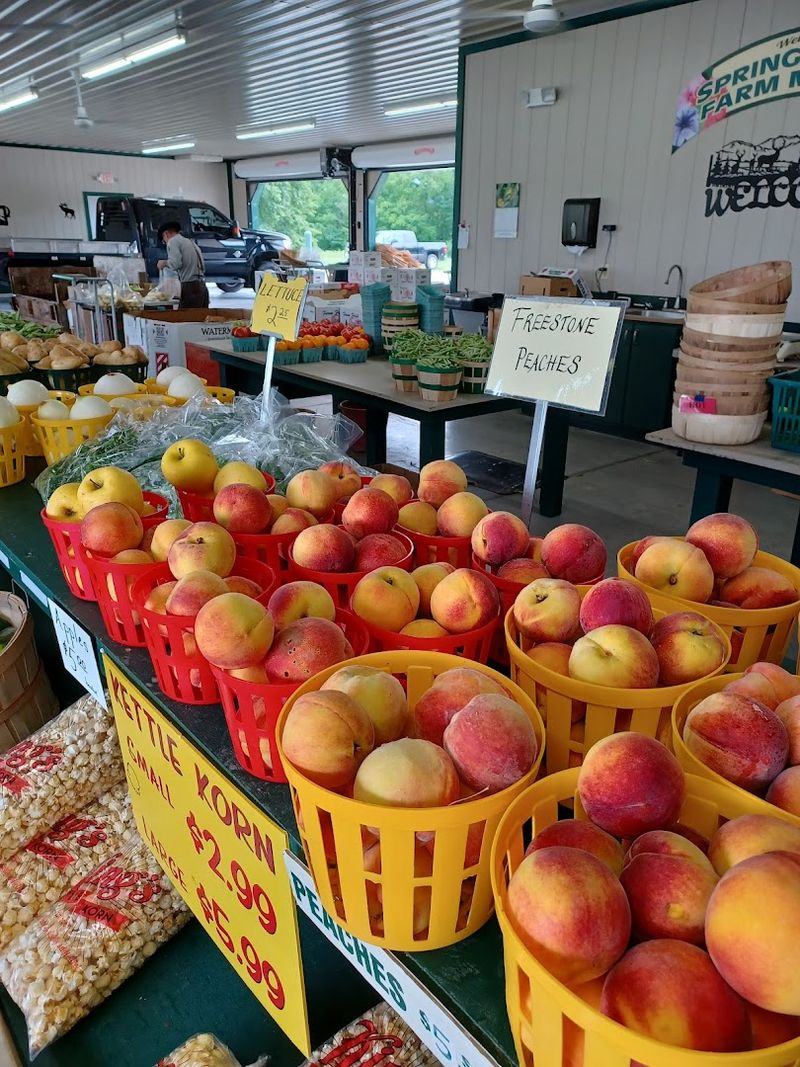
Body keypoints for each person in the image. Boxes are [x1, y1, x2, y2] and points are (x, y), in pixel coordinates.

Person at [156, 221, 209, 308]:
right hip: (202, 286)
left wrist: (164, 263)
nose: (165, 243)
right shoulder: (190, 242)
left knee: (187, 318)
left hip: (190, 287)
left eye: (163, 241)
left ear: (166, 234)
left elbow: (175, 264)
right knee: (200, 317)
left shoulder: (173, 241)